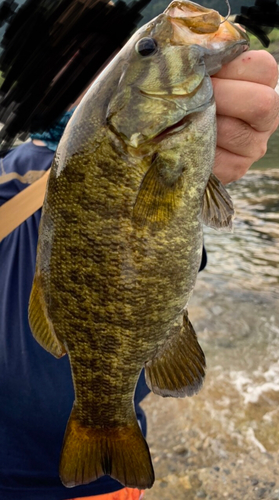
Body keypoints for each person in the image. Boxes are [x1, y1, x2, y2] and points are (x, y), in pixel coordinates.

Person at [0, 49, 278, 500]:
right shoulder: (13, 169)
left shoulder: (85, 155)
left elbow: (159, 248)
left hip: (105, 486)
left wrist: (197, 162)